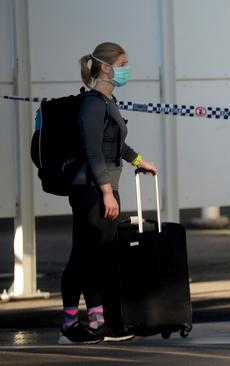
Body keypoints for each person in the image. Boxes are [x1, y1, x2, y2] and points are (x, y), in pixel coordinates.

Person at [58, 42, 158, 344]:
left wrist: (140, 162)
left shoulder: (108, 102)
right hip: (90, 190)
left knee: (100, 258)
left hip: (104, 188)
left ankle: (99, 321)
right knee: (83, 256)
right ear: (105, 67)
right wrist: (106, 192)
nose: (127, 69)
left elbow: (116, 146)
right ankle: (69, 325)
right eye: (123, 63)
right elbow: (92, 150)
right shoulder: (92, 103)